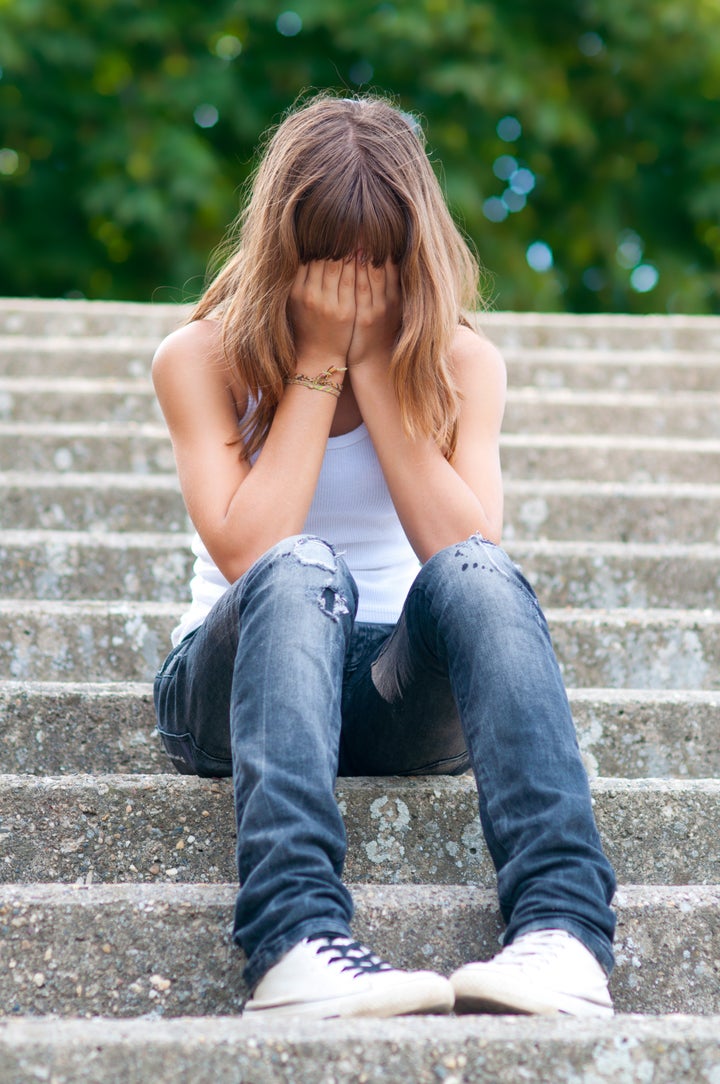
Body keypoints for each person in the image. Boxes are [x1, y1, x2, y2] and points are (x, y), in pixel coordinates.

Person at [151, 92, 616, 1020]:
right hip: (239, 678)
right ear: (287, 253)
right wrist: (319, 366)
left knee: (479, 570)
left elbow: (467, 555)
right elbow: (250, 548)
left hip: (394, 692)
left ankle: (564, 933)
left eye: (381, 265)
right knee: (302, 565)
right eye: (332, 263)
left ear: (417, 258)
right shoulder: (201, 357)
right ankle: (292, 941)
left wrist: (383, 373)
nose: (356, 287)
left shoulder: (463, 365)